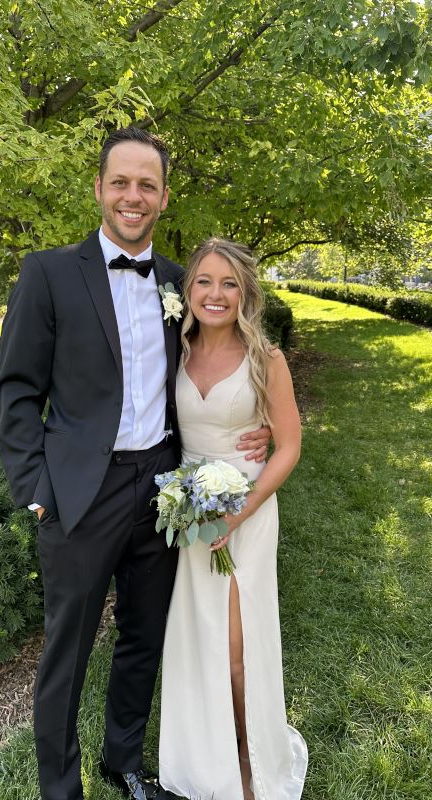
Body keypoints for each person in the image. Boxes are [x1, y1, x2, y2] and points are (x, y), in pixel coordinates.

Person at [0, 127, 270, 800]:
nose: (133, 195)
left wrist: (253, 427)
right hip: (78, 493)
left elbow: (228, 358)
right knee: (67, 652)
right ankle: (60, 788)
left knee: (143, 637)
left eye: (147, 184)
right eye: (121, 181)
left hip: (164, 490)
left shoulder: (182, 281)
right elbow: (16, 392)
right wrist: (37, 489)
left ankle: (122, 762)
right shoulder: (49, 274)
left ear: (164, 196)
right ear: (99, 188)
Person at [159, 238, 308, 800]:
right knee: (196, 638)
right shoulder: (172, 346)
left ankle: (249, 758)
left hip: (245, 512)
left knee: (238, 651)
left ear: (245, 292)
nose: (215, 294)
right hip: (185, 512)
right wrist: (188, 507)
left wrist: (236, 516)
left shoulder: (265, 359)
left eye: (228, 283)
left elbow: (288, 447)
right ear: (188, 289)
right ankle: (206, 750)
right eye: (204, 281)